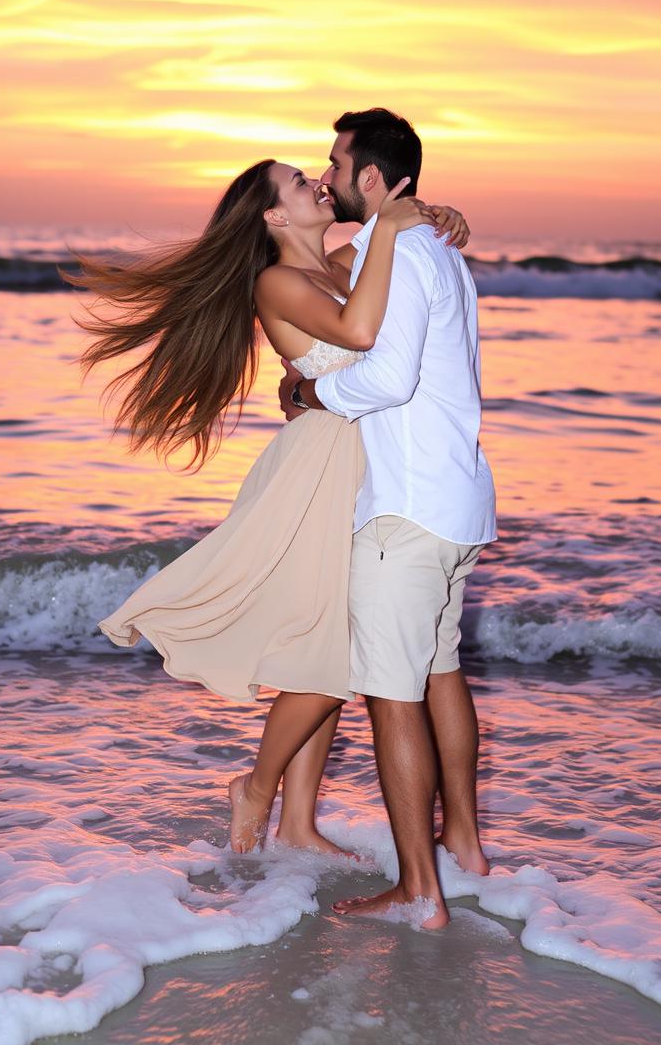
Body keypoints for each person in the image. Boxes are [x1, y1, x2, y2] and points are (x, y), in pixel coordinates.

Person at [66, 151, 469, 858]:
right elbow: (360, 334)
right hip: (321, 468)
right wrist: (395, 225)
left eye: (314, 173)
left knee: (329, 648)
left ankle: (298, 823)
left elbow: (380, 279)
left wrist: (423, 221)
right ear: (274, 215)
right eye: (295, 183)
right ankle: (256, 788)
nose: (317, 181)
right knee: (337, 653)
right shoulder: (278, 281)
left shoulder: (338, 267)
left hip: (365, 463)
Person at [277, 108, 497, 929]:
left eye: (335, 163)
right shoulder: (434, 245)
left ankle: (419, 890)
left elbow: (389, 376)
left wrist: (310, 394)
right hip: (459, 501)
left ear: (372, 177)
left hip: (406, 511)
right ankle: (464, 845)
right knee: (440, 674)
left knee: (390, 697)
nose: (326, 174)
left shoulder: (394, 247)